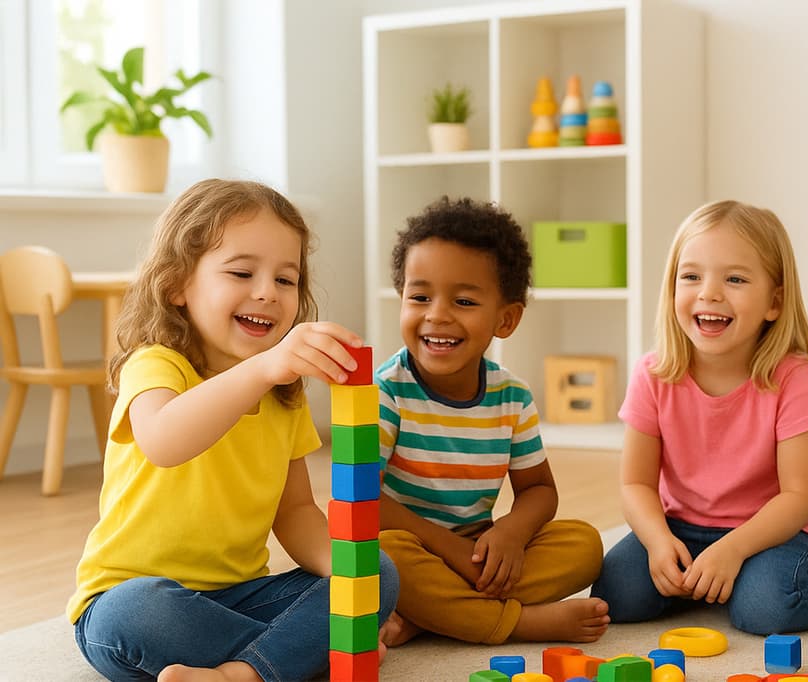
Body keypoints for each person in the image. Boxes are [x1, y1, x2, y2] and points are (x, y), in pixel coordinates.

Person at [67, 179, 400, 682]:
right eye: (242, 272)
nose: (267, 291)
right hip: (131, 600)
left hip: (242, 595)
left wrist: (346, 570)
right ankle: (294, 656)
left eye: (286, 280)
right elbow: (164, 440)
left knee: (380, 571)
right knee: (135, 612)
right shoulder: (156, 364)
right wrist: (263, 369)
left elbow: (295, 512)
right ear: (177, 284)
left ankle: (241, 674)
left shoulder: (282, 394)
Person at [589, 200, 808, 634]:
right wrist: (658, 544)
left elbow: (799, 497)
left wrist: (731, 551)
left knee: (765, 611)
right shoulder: (653, 373)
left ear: (774, 301)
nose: (709, 293)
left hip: (771, 535)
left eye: (734, 279)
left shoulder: (792, 377)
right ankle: (705, 585)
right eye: (691, 276)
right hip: (678, 527)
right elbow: (635, 483)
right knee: (615, 595)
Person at [375, 196, 607, 646]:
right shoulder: (386, 391)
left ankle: (430, 615)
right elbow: (367, 501)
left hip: (481, 544)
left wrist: (510, 534)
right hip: (412, 541)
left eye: (463, 300)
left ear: (506, 319)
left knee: (584, 544)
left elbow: (539, 490)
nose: (436, 314)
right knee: (384, 557)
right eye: (419, 296)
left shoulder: (511, 397)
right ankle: (518, 623)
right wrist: (451, 550)